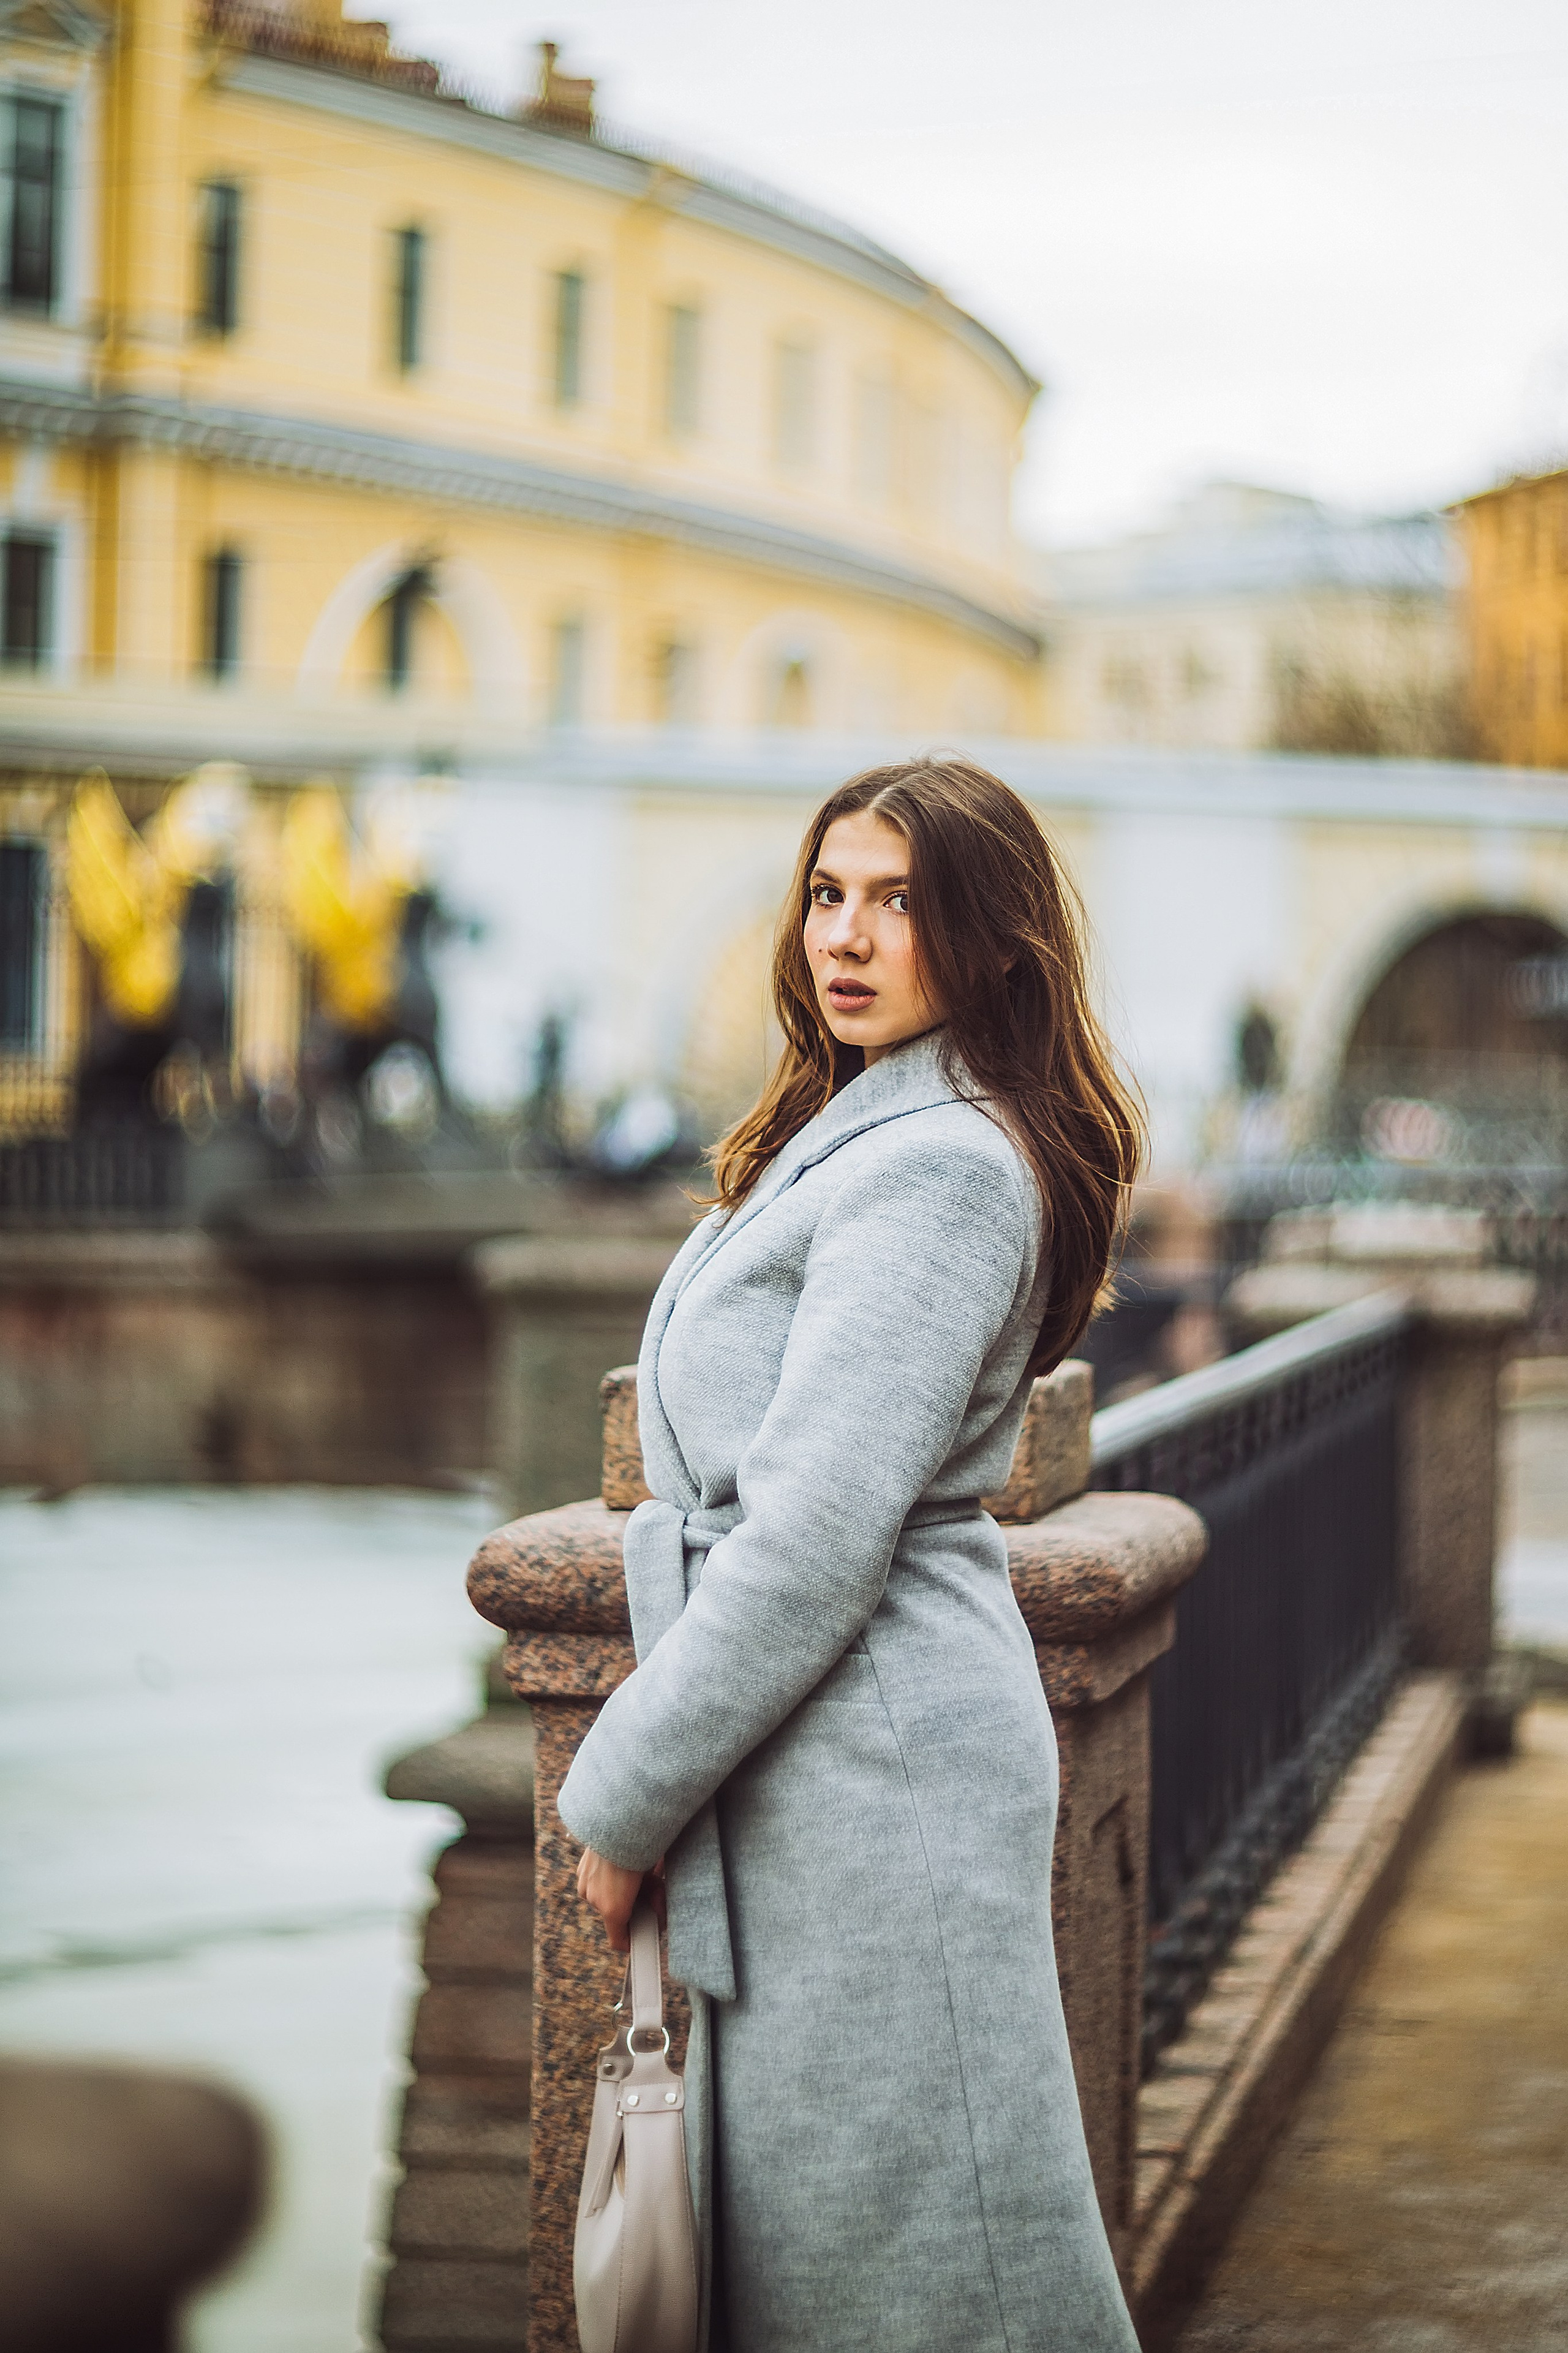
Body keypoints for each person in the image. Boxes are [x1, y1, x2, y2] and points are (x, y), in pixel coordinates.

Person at [559, 757, 1145, 2352]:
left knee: (944, 2269)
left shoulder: (942, 1165)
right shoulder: (858, 1130)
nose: (851, 934)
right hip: (833, 1757)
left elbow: (815, 1536)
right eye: (829, 893)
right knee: (859, 2259)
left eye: (899, 901)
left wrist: (622, 1791)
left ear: (990, 937)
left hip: (883, 1766)